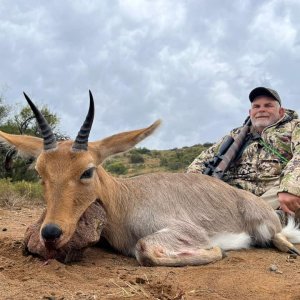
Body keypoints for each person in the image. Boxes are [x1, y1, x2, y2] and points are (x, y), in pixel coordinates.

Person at [187, 87, 300, 223]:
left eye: (268, 105)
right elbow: (201, 160)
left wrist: (290, 187)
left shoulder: (295, 127)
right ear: (250, 112)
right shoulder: (235, 135)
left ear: (281, 111)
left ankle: (263, 222)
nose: (261, 110)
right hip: (234, 197)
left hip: (276, 193)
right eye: (256, 106)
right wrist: (193, 186)